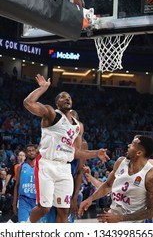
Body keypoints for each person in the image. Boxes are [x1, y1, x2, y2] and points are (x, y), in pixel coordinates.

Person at [23, 74, 109, 223]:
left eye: (68, 97)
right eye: (62, 97)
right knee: (45, 207)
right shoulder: (51, 114)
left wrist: (96, 153)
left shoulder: (76, 126)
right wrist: (42, 88)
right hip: (47, 164)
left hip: (64, 168)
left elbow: (76, 152)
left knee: (64, 210)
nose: (66, 99)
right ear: (57, 103)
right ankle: (27, 227)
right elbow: (28, 103)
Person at [78, 135, 153, 223]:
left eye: (132, 144)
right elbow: (108, 185)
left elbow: (150, 212)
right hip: (113, 217)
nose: (128, 145)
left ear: (139, 153)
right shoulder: (120, 162)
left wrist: (120, 218)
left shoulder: (149, 176)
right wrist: (90, 198)